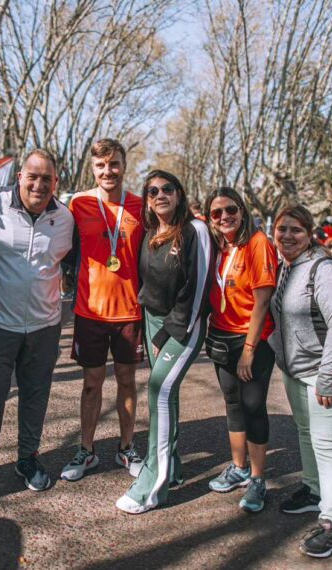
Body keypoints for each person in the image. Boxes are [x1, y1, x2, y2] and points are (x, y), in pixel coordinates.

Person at [0, 149, 74, 497]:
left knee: (35, 397)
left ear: (56, 182)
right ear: (20, 176)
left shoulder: (66, 219)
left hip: (44, 326)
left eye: (46, 179)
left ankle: (28, 458)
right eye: (32, 176)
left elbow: (66, 265)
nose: (38, 184)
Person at [115, 170, 213, 514]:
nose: (159, 194)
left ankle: (151, 486)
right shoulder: (150, 232)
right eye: (152, 190)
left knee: (158, 391)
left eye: (167, 188)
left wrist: (169, 332)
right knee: (165, 396)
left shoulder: (195, 230)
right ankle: (171, 469)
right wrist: (151, 328)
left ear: (179, 192)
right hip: (152, 321)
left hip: (183, 325)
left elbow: (198, 289)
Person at [269, 205, 332, 559]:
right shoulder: (285, 268)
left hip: (327, 373)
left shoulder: (324, 269)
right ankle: (312, 490)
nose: (287, 236)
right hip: (296, 369)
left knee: (327, 443)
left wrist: (325, 378)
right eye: (281, 230)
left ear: (310, 234)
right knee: (305, 432)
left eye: (296, 230)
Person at [61, 139, 146, 482]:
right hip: (90, 311)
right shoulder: (78, 204)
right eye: (101, 165)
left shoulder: (142, 206)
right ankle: (86, 449)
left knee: (127, 381)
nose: (108, 171)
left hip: (129, 312)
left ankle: (126, 448)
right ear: (92, 169)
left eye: (114, 164)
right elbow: (62, 249)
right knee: (91, 384)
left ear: (125, 166)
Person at [203, 187, 278, 513]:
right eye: (216, 213)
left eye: (230, 210)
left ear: (242, 211)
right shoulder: (218, 245)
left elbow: (263, 299)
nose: (224, 217)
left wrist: (249, 348)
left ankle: (258, 479)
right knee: (232, 402)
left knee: (253, 406)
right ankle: (239, 467)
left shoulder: (257, 243)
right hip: (221, 336)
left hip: (252, 339)